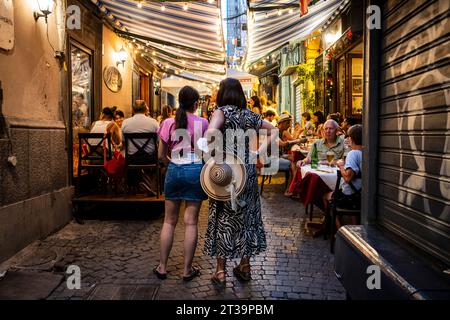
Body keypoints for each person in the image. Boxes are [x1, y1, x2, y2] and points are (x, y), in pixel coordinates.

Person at [203, 78, 277, 287]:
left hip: (226, 172)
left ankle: (220, 272)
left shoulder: (221, 112)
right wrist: (258, 152)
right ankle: (244, 267)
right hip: (248, 173)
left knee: (223, 218)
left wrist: (212, 148)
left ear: (222, 93)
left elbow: (210, 133)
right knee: (247, 217)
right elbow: (274, 130)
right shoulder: (251, 115)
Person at [153, 86, 209, 281]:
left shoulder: (168, 122)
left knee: (169, 221)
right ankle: (187, 270)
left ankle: (162, 267)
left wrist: (171, 164)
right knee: (191, 222)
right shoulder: (203, 122)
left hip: (174, 169)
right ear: (195, 104)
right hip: (195, 170)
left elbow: (161, 155)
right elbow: (206, 152)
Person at [325, 124, 362, 229]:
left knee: (327, 196)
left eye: (348, 137)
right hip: (361, 195)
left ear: (351, 138)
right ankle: (355, 229)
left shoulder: (353, 154)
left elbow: (348, 177)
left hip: (350, 197)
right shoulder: (366, 152)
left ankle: (340, 230)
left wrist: (340, 165)